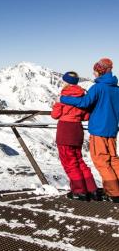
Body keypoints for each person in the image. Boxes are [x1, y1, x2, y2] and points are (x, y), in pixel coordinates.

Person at [60, 58, 119, 202]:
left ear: (100, 71)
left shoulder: (98, 87)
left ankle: (114, 193)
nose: (93, 73)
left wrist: (64, 99)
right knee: (113, 160)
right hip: (112, 129)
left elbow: (84, 102)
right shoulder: (116, 89)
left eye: (95, 70)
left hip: (99, 129)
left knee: (101, 161)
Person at [52, 71, 98, 200]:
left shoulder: (63, 96)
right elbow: (86, 116)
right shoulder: (83, 96)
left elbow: (55, 115)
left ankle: (79, 191)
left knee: (69, 162)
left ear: (66, 82)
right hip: (77, 130)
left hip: (65, 130)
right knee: (79, 161)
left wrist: (57, 104)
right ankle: (92, 189)